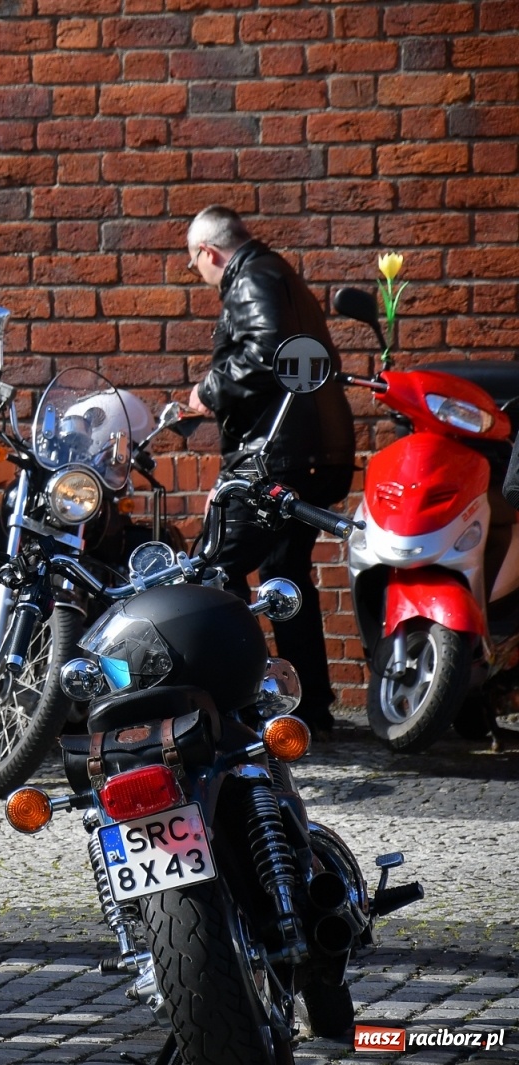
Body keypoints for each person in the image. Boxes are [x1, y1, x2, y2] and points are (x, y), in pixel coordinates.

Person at [184, 204, 356, 734]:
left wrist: (207, 391)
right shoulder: (281, 274)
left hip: (273, 459)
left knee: (212, 571)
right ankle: (310, 707)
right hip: (312, 452)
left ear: (208, 252)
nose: (199, 274)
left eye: (195, 264)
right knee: (286, 578)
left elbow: (264, 353)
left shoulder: (252, 277)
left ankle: (232, 701)